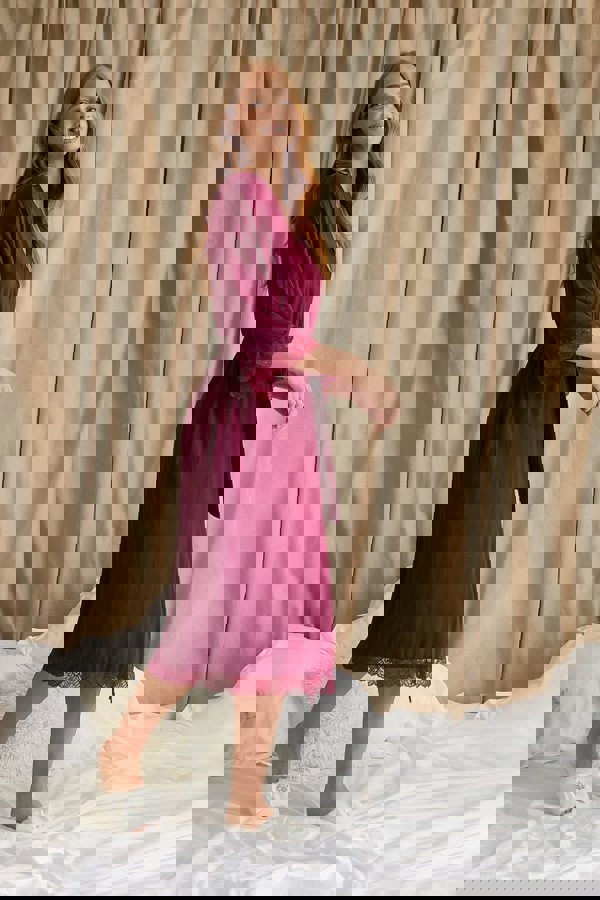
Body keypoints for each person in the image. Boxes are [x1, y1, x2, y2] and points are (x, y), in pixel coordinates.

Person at [98, 64, 337, 830]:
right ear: (235, 123)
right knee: (240, 597)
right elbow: (255, 334)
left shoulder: (284, 209)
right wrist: (342, 366)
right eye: (257, 111)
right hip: (252, 419)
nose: (275, 125)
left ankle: (237, 788)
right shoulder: (238, 203)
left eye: (284, 112)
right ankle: (150, 755)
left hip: (287, 421)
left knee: (276, 606)